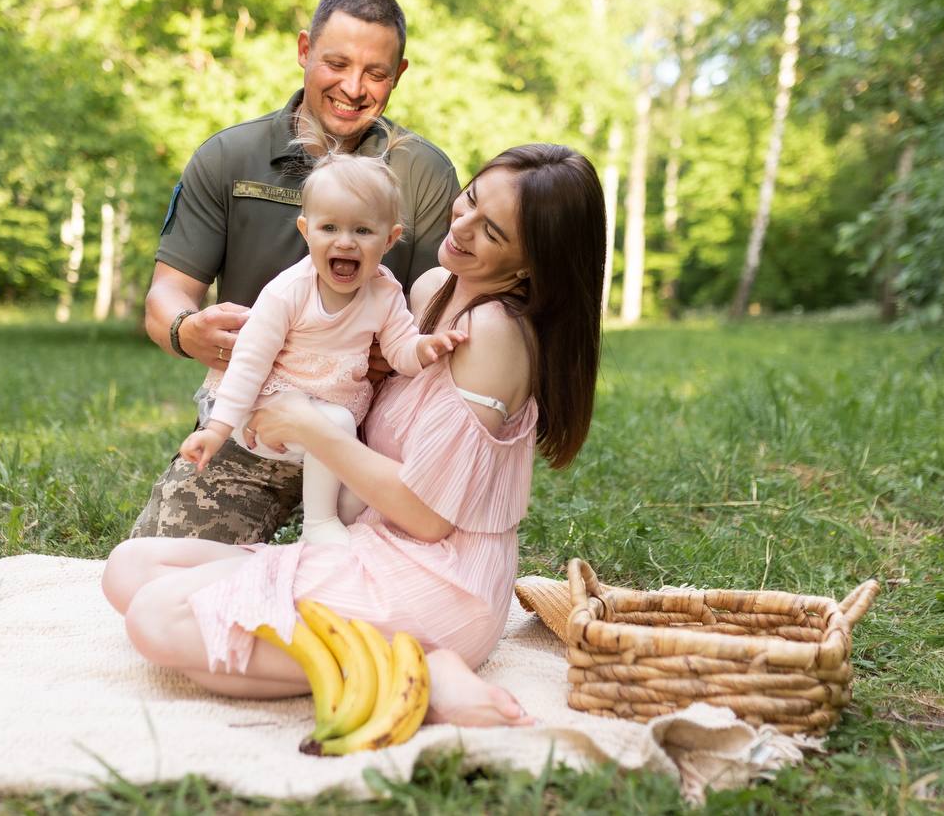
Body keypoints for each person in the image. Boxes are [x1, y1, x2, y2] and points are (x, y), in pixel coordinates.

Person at [104, 143, 606, 727]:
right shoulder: (431, 289)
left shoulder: (494, 333)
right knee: (130, 568)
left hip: (437, 577)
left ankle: (422, 668)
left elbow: (429, 517)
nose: (462, 226)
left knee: (157, 619)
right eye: (467, 200)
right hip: (368, 541)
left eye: (490, 231)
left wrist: (312, 428)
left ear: (530, 263)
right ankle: (342, 658)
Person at [134, 0, 461, 544]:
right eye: (336, 63)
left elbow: (441, 308)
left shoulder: (424, 174)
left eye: (376, 74)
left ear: (399, 74)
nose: (354, 88)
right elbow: (166, 296)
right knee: (155, 569)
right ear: (305, 50)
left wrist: (404, 350)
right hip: (253, 428)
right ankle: (279, 576)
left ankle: (318, 560)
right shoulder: (228, 156)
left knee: (401, 584)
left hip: (369, 437)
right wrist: (189, 330)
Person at [180, 132, 467, 546]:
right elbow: (249, 362)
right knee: (334, 423)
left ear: (389, 239)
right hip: (266, 408)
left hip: (328, 419)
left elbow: (400, 349)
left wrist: (424, 348)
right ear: (307, 230)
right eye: (329, 227)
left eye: (363, 230)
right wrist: (218, 429)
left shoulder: (384, 292)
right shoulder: (288, 291)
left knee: (355, 492)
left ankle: (337, 534)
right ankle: (318, 524)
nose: (345, 241)